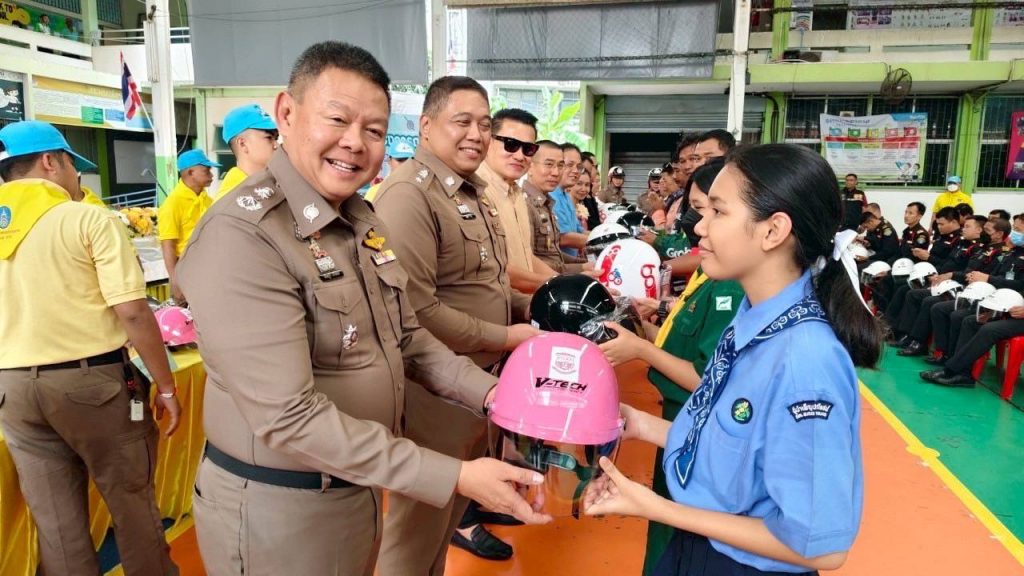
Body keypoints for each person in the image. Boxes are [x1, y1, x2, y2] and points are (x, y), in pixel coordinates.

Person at [177, 44, 549, 576]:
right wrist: (452, 475)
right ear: (286, 113)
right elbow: (289, 417)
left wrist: (493, 394)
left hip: (357, 485)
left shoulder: (359, 221)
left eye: (374, 130)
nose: (355, 142)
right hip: (281, 510)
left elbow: (407, 337)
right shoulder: (243, 235)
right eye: (337, 120)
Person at [584, 143, 879, 575]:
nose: (700, 227)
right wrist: (640, 424)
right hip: (699, 545)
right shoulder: (753, 320)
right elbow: (731, 447)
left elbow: (819, 548)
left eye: (718, 212)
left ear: (773, 231)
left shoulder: (805, 362)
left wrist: (657, 508)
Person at [374, 76, 543, 574]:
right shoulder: (409, 195)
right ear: (426, 126)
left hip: (479, 387)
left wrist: (534, 309)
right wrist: (506, 336)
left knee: (445, 526)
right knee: (415, 535)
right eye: (462, 121)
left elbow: (486, 283)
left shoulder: (470, 193)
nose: (476, 134)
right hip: (435, 393)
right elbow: (416, 310)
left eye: (484, 125)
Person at [0, 120, 181, 576]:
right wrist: (165, 386)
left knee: (56, 523)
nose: (76, 177)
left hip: (12, 392)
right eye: (72, 165)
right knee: (131, 500)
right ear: (50, 161)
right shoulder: (85, 218)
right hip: (93, 385)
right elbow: (134, 312)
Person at [597, 158, 744, 576]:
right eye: (697, 211)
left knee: (682, 532)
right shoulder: (712, 275)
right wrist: (642, 327)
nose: (697, 227)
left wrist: (640, 350)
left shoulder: (733, 288)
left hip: (694, 420)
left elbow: (706, 379)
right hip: (681, 422)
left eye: (712, 211)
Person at [896, 217, 1004, 357]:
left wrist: (950, 275)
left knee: (932, 303)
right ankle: (908, 335)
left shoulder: (998, 253)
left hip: (972, 291)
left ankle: (929, 346)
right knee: (912, 292)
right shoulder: (981, 248)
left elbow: (977, 275)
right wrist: (941, 275)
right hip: (956, 282)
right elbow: (955, 266)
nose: (963, 229)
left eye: (967, 226)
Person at [478, 108, 559, 294]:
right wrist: (558, 285)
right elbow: (494, 268)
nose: (520, 156)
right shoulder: (476, 192)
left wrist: (566, 282)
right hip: (495, 303)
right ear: (488, 142)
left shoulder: (516, 193)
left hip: (525, 300)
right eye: (511, 144)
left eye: (528, 149)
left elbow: (527, 257)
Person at [928, 214, 1024, 366]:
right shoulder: (1012, 253)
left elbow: (1018, 285)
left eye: (1017, 230)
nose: (1013, 234)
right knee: (959, 315)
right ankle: (950, 360)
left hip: (1011, 307)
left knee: (976, 323)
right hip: (998, 301)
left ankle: (955, 367)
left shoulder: (1003, 251)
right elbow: (997, 276)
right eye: (1014, 229)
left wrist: (987, 279)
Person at [157, 149, 219, 305]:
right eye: (206, 170)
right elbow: (168, 245)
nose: (211, 175)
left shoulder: (207, 200)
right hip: (185, 269)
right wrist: (175, 281)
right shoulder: (172, 204)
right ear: (191, 172)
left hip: (208, 266)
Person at [525, 140, 588, 275]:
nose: (556, 172)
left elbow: (553, 254)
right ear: (529, 166)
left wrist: (583, 265)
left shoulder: (547, 202)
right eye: (549, 164)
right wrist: (581, 269)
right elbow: (530, 261)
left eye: (560, 166)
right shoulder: (524, 203)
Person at [214, 103, 278, 200]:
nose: (277, 145)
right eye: (269, 138)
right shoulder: (230, 198)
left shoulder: (268, 184)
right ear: (242, 144)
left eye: (276, 138)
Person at [550, 142, 588, 258]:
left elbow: (579, 230)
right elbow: (564, 238)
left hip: (571, 262)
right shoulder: (551, 196)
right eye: (570, 165)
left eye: (579, 167)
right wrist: (602, 241)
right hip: (559, 265)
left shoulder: (566, 196)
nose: (576, 171)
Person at [580, 151, 602, 229]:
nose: (596, 171)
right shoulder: (578, 193)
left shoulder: (589, 192)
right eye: (594, 167)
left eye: (596, 167)